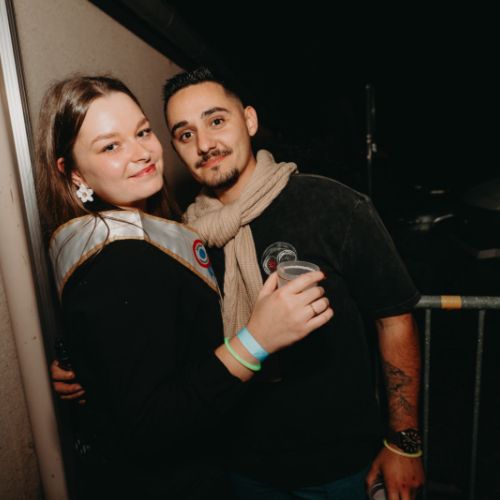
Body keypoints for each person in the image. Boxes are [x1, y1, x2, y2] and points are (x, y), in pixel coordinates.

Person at [53, 67, 425, 499]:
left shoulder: (332, 206)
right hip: (238, 468)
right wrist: (90, 368)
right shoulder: (182, 236)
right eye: (185, 134)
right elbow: (156, 350)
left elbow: (393, 319)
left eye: (216, 120)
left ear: (249, 120)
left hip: (340, 468)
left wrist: (404, 442)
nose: (204, 144)